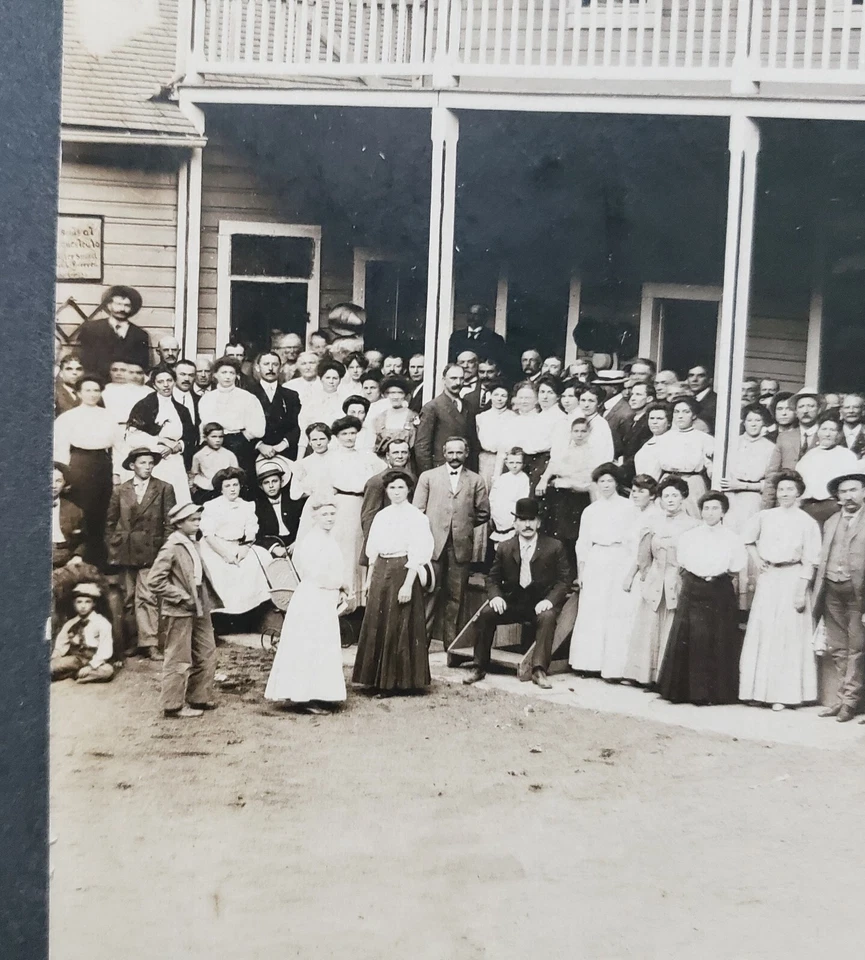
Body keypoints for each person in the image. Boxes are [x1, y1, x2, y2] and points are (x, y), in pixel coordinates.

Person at [464, 497, 570, 689]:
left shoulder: (554, 546)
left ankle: (539, 670)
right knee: (486, 614)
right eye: (522, 520)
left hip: (539, 604)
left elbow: (564, 581)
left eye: (532, 520)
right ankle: (478, 666)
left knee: (547, 617)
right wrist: (495, 596)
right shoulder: (505, 547)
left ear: (539, 523)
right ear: (515, 523)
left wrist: (550, 600)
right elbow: (492, 578)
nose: (527, 524)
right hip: (513, 603)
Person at [738, 470, 820, 710]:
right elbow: (747, 539)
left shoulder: (807, 522)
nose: (785, 493)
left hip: (793, 578)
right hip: (769, 577)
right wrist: (758, 560)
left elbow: (811, 560)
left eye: (790, 489)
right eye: (781, 489)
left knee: (787, 634)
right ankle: (757, 691)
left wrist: (800, 590)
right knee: (764, 631)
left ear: (798, 492)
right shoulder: (765, 516)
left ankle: (783, 695)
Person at [656, 492, 747, 705]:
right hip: (693, 588)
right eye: (706, 508)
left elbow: (735, 567)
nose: (710, 513)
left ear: (723, 511)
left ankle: (715, 694)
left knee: (718, 638)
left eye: (715, 508)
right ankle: (685, 692)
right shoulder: (690, 536)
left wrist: (715, 577)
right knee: (692, 637)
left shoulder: (733, 538)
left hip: (719, 589)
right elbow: (683, 562)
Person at [353, 471, 435, 694]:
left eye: (400, 488)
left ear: (408, 490)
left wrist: (408, 584)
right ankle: (374, 679)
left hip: (403, 570)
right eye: (392, 488)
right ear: (386, 491)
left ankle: (396, 683)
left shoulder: (418, 518)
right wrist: (370, 581)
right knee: (377, 621)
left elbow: (418, 554)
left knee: (398, 623)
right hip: (380, 569)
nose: (396, 492)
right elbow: (373, 551)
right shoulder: (381, 516)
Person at [264, 498, 349, 713]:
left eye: (332, 514)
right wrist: (340, 585)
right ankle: (306, 696)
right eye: (324, 515)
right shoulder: (311, 541)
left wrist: (339, 588)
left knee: (321, 644)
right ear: (314, 517)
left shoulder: (329, 538)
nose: (329, 518)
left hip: (325, 597)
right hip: (313, 597)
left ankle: (319, 693)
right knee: (310, 645)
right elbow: (315, 574)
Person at [622, 476, 699, 685]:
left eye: (675, 495)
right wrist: (638, 576)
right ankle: (644, 676)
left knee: (672, 627)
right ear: (661, 500)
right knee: (648, 627)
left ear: (683, 497)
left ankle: (666, 678)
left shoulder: (693, 526)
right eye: (666, 496)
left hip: (678, 582)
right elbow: (643, 555)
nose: (671, 500)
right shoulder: (653, 523)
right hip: (655, 581)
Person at [414, 437, 490, 649]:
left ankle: (451, 646)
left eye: (459, 453)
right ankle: (421, 645)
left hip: (460, 546)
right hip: (432, 546)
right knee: (429, 593)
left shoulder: (476, 480)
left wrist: (461, 524)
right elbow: (418, 510)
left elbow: (483, 513)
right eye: (451, 453)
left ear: (466, 454)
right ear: (443, 454)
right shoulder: (428, 477)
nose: (455, 457)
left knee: (456, 597)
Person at [148, 502, 220, 719]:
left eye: (198, 519)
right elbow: (154, 581)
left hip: (199, 603)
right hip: (180, 608)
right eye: (192, 520)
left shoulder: (192, 543)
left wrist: (199, 598)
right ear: (179, 523)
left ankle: (199, 696)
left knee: (207, 651)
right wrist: (181, 597)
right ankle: (172, 705)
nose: (197, 524)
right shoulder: (172, 546)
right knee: (178, 656)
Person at [569, 464, 639, 679]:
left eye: (610, 481)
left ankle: (613, 668)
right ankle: (588, 664)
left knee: (616, 613)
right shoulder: (591, 511)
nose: (606, 485)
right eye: (602, 482)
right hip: (596, 560)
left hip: (620, 559)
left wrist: (630, 572)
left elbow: (634, 542)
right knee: (593, 611)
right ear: (596, 484)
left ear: (617, 482)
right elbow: (583, 543)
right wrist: (581, 572)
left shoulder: (629, 508)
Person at [105, 448, 176, 661]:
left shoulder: (164, 488)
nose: (147, 466)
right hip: (125, 550)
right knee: (128, 598)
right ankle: (133, 642)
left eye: (150, 463)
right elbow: (110, 521)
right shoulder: (120, 490)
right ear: (132, 466)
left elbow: (170, 523)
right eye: (142, 462)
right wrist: (113, 545)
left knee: (147, 596)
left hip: (151, 550)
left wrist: (165, 550)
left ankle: (150, 643)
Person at [315, 416, 386, 612]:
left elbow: (384, 476)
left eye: (352, 433)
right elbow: (323, 487)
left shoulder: (368, 457)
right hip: (342, 506)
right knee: (344, 551)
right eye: (344, 434)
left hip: (365, 503)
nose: (349, 437)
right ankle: (343, 600)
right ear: (337, 437)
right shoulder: (331, 459)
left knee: (361, 549)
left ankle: (362, 601)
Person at [53, 375, 124, 567]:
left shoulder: (109, 416)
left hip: (102, 465)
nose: (92, 394)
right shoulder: (68, 417)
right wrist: (63, 475)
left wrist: (117, 473)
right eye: (87, 390)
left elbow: (119, 447)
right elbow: (61, 449)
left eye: (96, 390)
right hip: (78, 466)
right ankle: (78, 559)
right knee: (81, 512)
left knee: (102, 512)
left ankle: (99, 560)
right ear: (78, 393)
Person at [812, 472, 865, 722]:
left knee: (857, 648)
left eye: (854, 490)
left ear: (863, 492)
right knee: (838, 647)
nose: (848, 496)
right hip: (832, 589)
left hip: (859, 594)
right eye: (843, 492)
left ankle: (851, 702)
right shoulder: (831, 521)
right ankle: (842, 698)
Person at [197, 467, 272, 615]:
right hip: (215, 547)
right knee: (221, 570)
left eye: (235, 485)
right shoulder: (212, 506)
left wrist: (246, 547)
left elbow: (251, 530)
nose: (232, 489)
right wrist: (225, 554)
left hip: (238, 545)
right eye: (227, 486)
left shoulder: (246, 505)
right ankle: (222, 613)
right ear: (221, 489)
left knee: (262, 557)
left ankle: (253, 609)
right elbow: (208, 535)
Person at [125, 367, 195, 503]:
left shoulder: (182, 410)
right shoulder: (144, 405)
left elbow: (191, 438)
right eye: (161, 381)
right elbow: (131, 436)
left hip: (175, 463)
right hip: (152, 463)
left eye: (169, 380)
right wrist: (161, 441)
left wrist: (176, 447)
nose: (166, 385)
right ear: (154, 385)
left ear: (174, 382)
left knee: (177, 501)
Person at [537, 417, 598, 566]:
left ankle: (570, 576)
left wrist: (568, 481)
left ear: (589, 433)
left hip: (578, 498)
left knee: (571, 536)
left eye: (583, 431)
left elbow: (587, 481)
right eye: (576, 431)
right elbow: (553, 466)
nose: (579, 434)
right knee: (554, 533)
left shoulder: (592, 453)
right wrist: (544, 480)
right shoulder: (565, 449)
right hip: (560, 497)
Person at [197, 357, 266, 481]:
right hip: (214, 443)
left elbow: (258, 427)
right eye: (223, 373)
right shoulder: (207, 399)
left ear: (237, 376)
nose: (227, 377)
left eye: (232, 373)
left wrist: (243, 438)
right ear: (215, 375)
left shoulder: (247, 397)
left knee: (241, 481)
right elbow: (204, 424)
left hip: (239, 444)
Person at [652, 396, 714, 514]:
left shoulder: (704, 439)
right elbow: (655, 468)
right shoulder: (663, 439)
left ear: (694, 415)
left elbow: (711, 467)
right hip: (667, 481)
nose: (680, 416)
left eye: (686, 412)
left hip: (692, 483)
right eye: (677, 412)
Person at [720, 404, 776, 532]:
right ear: (744, 423)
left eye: (758, 420)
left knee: (748, 533)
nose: (753, 424)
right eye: (749, 420)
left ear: (763, 423)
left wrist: (743, 486)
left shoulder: (770, 447)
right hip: (730, 495)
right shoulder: (732, 443)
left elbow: (769, 482)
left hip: (753, 497)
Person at [795, 414, 858, 528]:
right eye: (824, 429)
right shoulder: (809, 455)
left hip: (834, 508)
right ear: (818, 432)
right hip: (808, 507)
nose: (827, 434)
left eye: (832, 430)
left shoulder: (847, 456)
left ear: (839, 434)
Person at [762, 388, 822, 506]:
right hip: (786, 503)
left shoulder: (825, 436)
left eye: (810, 406)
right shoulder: (785, 437)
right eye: (801, 407)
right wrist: (767, 506)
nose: (805, 411)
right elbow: (772, 475)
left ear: (819, 409)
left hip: (815, 504)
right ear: (795, 411)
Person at [76, 285, 151, 380]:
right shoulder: (91, 329)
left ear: (132, 308)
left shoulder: (140, 335)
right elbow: (83, 360)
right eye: (118, 304)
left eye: (127, 305)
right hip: (97, 384)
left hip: (128, 386)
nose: (122, 309)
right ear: (109, 305)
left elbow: (143, 366)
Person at [415, 364, 479, 473]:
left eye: (461, 378)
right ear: (444, 380)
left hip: (464, 469)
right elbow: (422, 447)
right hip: (441, 469)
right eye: (453, 378)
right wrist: (429, 475)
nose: (458, 383)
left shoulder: (468, 406)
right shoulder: (432, 407)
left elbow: (472, 443)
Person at [360, 437, 414, 557]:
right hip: (385, 544)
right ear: (388, 456)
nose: (400, 456)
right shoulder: (377, 481)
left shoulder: (413, 479)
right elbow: (368, 518)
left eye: (404, 452)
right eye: (395, 452)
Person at [51, 584, 114, 684]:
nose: (83, 606)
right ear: (74, 604)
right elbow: (61, 644)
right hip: (75, 659)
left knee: (108, 671)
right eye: (79, 602)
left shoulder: (102, 622)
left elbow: (105, 649)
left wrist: (91, 666)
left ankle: (76, 676)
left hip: (94, 659)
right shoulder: (70, 623)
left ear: (93, 604)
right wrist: (56, 656)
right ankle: (75, 674)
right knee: (51, 666)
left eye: (87, 602)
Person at [246, 351, 302, 461]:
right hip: (254, 452)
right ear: (257, 367)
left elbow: (296, 425)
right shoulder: (247, 394)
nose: (270, 368)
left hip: (284, 452)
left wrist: (283, 444)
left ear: (280, 368)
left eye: (275, 365)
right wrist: (259, 445)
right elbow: (243, 426)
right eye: (266, 364)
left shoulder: (291, 395)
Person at [291, 423, 335, 543]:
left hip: (336, 505)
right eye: (314, 439)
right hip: (314, 507)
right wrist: (313, 491)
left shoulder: (337, 458)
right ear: (309, 442)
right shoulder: (303, 464)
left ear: (329, 439)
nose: (318, 443)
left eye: (322, 439)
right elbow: (294, 494)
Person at [253, 457, 300, 556]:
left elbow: (305, 524)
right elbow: (256, 535)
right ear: (261, 486)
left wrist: (297, 543)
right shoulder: (257, 506)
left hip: (295, 543)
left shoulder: (293, 500)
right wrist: (273, 547)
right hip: (274, 547)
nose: (271, 486)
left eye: (274, 481)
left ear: (282, 482)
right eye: (266, 483)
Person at [297, 359, 345, 454]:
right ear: (321, 378)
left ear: (340, 380)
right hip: (315, 449)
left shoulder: (344, 401)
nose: (331, 381)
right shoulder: (310, 400)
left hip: (338, 450)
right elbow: (304, 432)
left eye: (335, 378)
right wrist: (299, 460)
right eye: (327, 378)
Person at [488, 448, 531, 553]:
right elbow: (493, 497)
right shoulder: (502, 478)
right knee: (499, 548)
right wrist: (492, 514)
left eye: (518, 462)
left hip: (512, 519)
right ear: (506, 463)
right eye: (511, 462)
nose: (514, 465)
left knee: (512, 547)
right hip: (499, 518)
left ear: (523, 464)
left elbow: (523, 500)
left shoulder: (524, 479)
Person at [189, 423, 239, 504]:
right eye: (213, 437)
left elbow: (236, 475)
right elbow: (193, 475)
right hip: (205, 492)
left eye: (221, 437)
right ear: (205, 437)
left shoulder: (229, 455)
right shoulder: (199, 456)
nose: (218, 440)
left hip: (224, 492)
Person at [449, 303, 507, 371]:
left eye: (476, 314)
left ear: (484, 318)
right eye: (470, 314)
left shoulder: (495, 339)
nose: (472, 317)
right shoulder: (456, 336)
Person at [368, 376, 416, 453]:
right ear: (385, 395)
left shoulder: (413, 417)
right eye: (391, 393)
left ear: (405, 395)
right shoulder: (379, 418)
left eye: (400, 393)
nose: (395, 397)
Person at [577, 384, 615, 463]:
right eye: (583, 400)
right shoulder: (576, 420)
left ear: (599, 403)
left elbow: (603, 455)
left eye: (591, 401)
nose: (586, 405)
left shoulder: (601, 425)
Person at [172, 359, 200, 438]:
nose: (187, 379)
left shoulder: (199, 401)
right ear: (174, 375)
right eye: (182, 374)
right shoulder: (165, 398)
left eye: (191, 375)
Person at [686, 364, 717, 431]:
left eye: (700, 376)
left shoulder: (715, 401)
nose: (694, 379)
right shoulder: (688, 399)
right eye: (691, 375)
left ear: (710, 380)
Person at [840, 392, 865, 458]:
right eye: (847, 407)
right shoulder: (834, 432)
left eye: (856, 407)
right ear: (841, 411)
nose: (851, 411)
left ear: (863, 411)